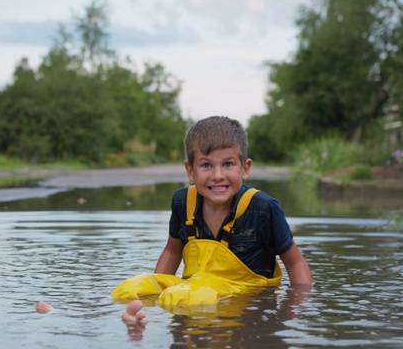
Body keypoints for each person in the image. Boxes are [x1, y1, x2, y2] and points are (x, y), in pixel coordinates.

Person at [111, 115, 313, 315]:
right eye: (206, 165)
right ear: (190, 171)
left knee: (187, 296)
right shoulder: (183, 202)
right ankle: (138, 318)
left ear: (245, 168)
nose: (217, 175)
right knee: (128, 290)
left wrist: (293, 314)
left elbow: (295, 262)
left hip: (243, 298)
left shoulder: (263, 208)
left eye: (228, 164)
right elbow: (173, 251)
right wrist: (157, 292)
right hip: (194, 290)